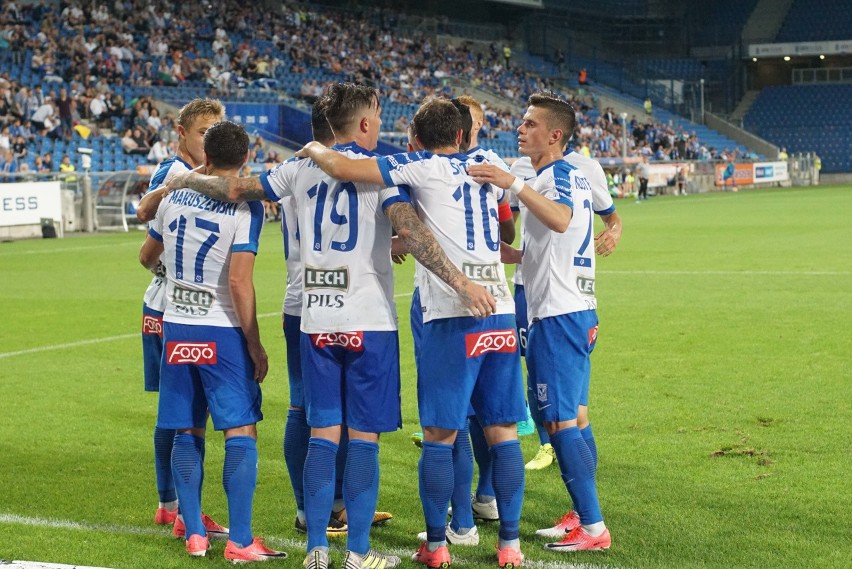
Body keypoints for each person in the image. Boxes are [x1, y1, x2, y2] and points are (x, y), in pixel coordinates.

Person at [158, 83, 494, 569]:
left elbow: (233, 187)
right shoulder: (382, 171)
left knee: (322, 432)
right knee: (363, 439)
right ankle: (357, 553)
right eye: (376, 117)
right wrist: (460, 280)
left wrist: (182, 182)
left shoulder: (297, 167)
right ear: (362, 125)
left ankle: (316, 548)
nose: (380, 125)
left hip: (315, 320)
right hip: (370, 324)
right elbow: (414, 231)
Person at [296, 97, 527, 569]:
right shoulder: (491, 161)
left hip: (451, 311)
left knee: (441, 435)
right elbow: (504, 215)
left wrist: (313, 150)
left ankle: (438, 546)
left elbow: (343, 165)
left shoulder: (420, 165)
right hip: (500, 310)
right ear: (463, 135)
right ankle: (510, 545)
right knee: (503, 432)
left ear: (418, 140)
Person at [469, 92, 622, 552]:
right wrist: (513, 254)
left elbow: (559, 220)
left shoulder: (552, 178)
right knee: (571, 415)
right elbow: (557, 239)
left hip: (557, 314)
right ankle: (582, 514)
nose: (521, 128)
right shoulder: (568, 174)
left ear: (554, 135)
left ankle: (593, 528)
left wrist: (511, 185)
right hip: (572, 309)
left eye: (530, 123)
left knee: (557, 423)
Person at [138, 121, 286, 563]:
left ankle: (195, 533)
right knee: (240, 429)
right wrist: (255, 344)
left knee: (186, 427)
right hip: (220, 330)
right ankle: (240, 540)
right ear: (245, 160)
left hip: (176, 325)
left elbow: (148, 256)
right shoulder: (246, 209)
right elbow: (240, 282)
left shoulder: (173, 196)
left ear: (205, 155)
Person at [134, 99, 228, 540]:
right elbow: (146, 219)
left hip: (176, 307)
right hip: (169, 307)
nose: (209, 139)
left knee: (179, 412)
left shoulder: (202, 174)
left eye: (217, 130)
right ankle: (174, 506)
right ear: (182, 133)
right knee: (180, 413)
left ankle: (170, 505)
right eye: (202, 131)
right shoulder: (171, 172)